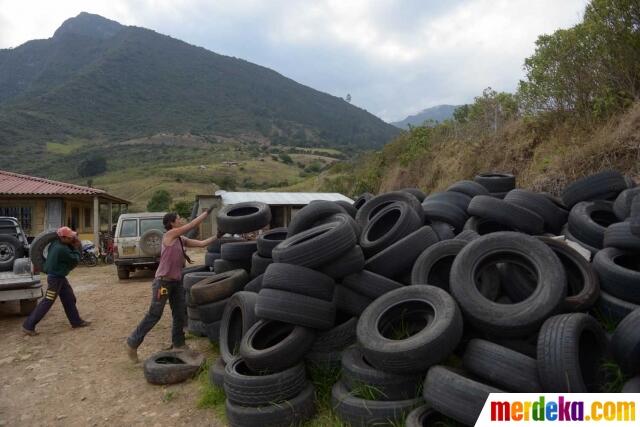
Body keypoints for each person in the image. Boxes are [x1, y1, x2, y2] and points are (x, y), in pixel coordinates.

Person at [125, 208, 219, 362]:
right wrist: (207, 213)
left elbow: (202, 243)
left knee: (179, 313)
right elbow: (191, 226)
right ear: (172, 223)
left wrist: (217, 236)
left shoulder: (181, 239)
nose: (181, 219)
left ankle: (179, 344)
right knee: (154, 314)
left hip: (176, 282)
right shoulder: (169, 235)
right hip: (163, 283)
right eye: (179, 218)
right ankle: (132, 343)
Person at [22, 226, 91, 335]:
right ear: (63, 238)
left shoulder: (55, 243)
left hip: (59, 277)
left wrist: (71, 244)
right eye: (70, 238)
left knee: (69, 298)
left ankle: (76, 322)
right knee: (48, 301)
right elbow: (75, 260)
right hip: (55, 279)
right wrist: (77, 248)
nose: (72, 239)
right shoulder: (62, 249)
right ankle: (28, 325)